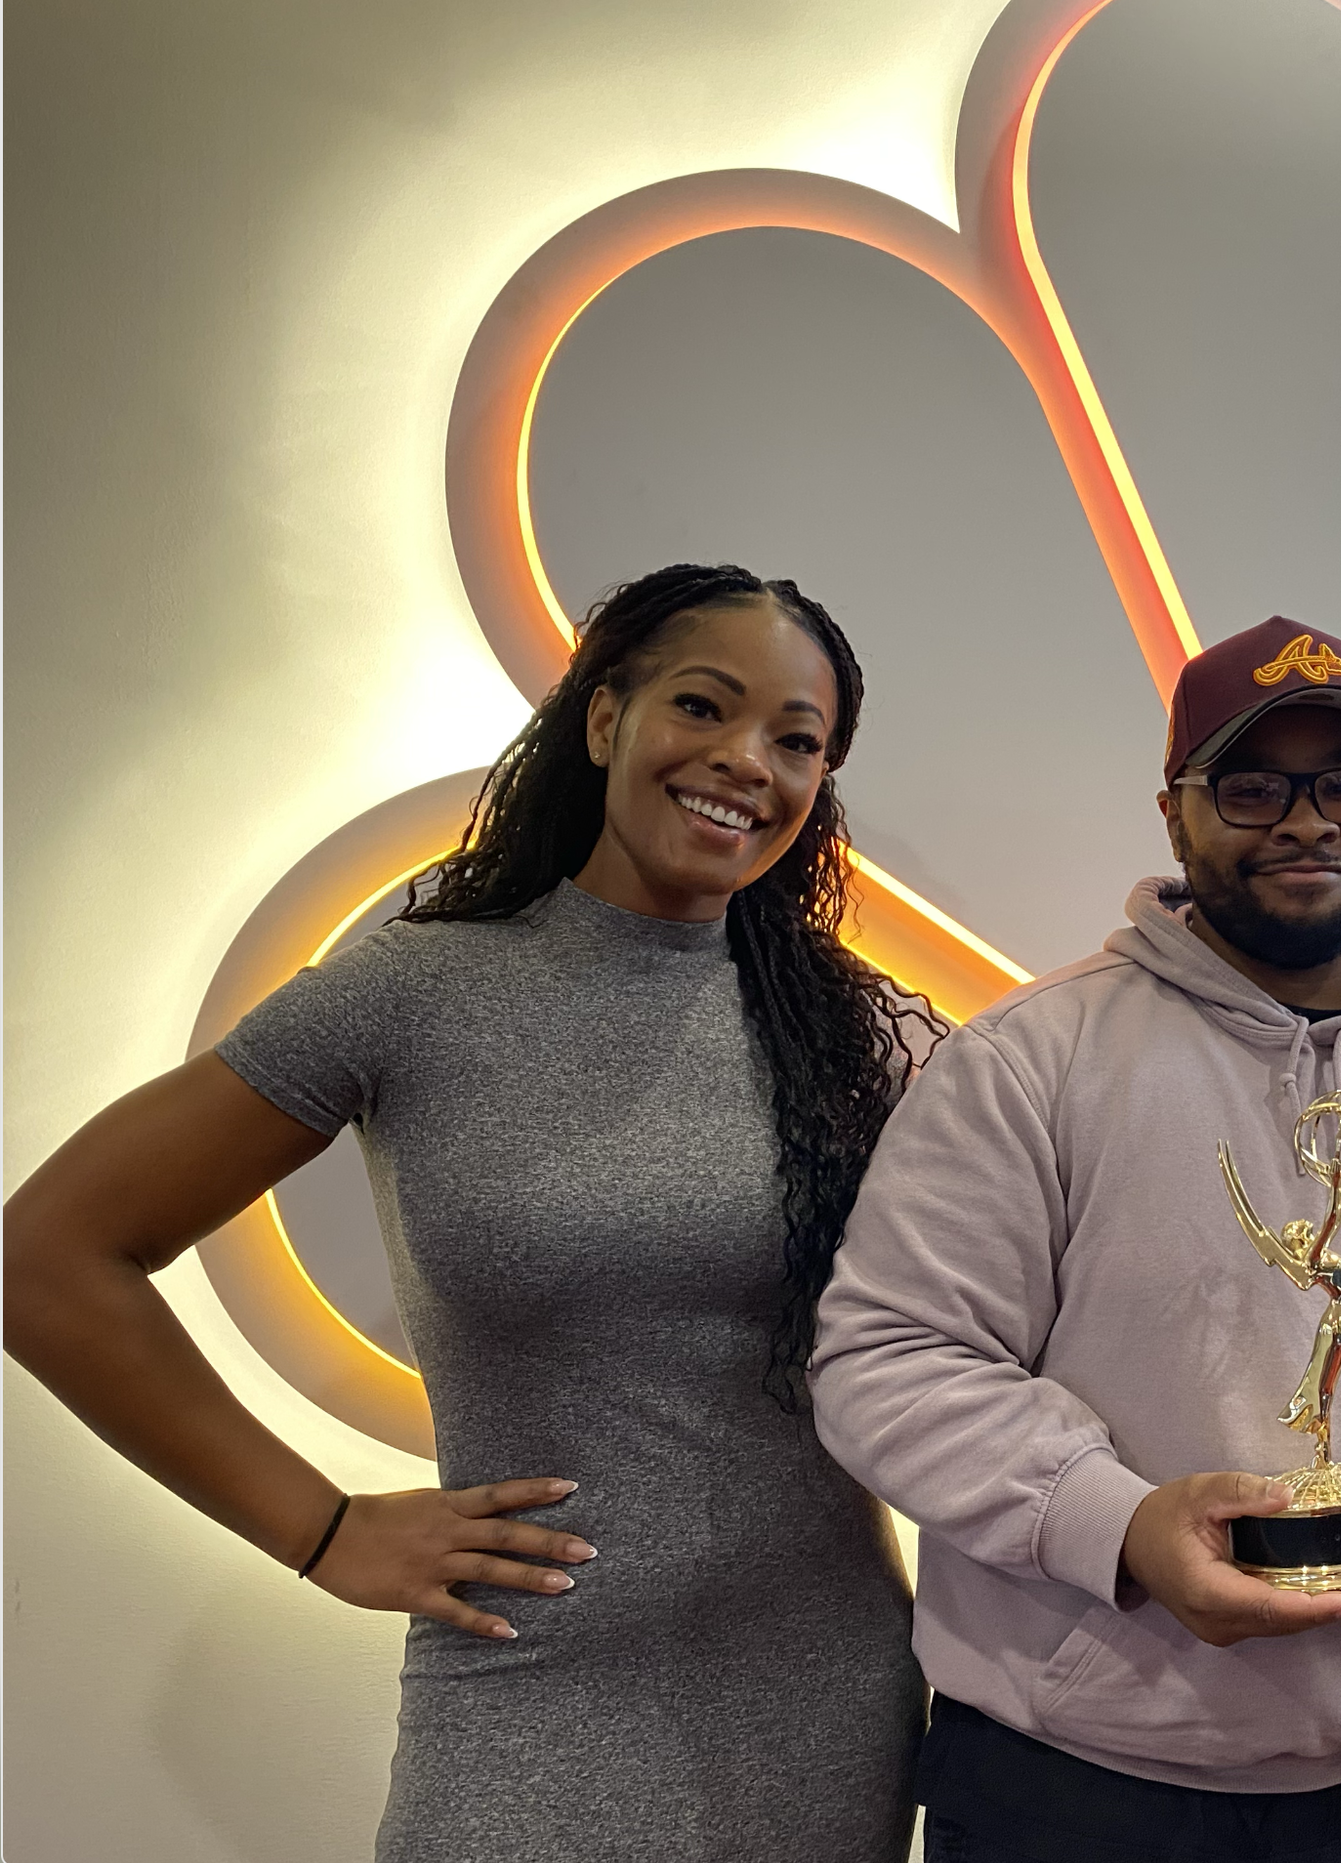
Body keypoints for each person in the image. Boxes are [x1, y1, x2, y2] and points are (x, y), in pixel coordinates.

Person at [4, 564, 936, 1862]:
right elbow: (46, 1257)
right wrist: (320, 1525)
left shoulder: (833, 1031)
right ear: (606, 717)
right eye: (704, 706)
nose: (746, 762)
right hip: (528, 1691)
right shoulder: (416, 989)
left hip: (817, 1698)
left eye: (796, 739)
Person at [810, 614, 1341, 1863]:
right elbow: (889, 1358)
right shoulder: (1023, 1069)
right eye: (1251, 786)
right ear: (1174, 811)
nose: (1306, 821)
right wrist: (1122, 1528)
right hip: (1077, 1793)